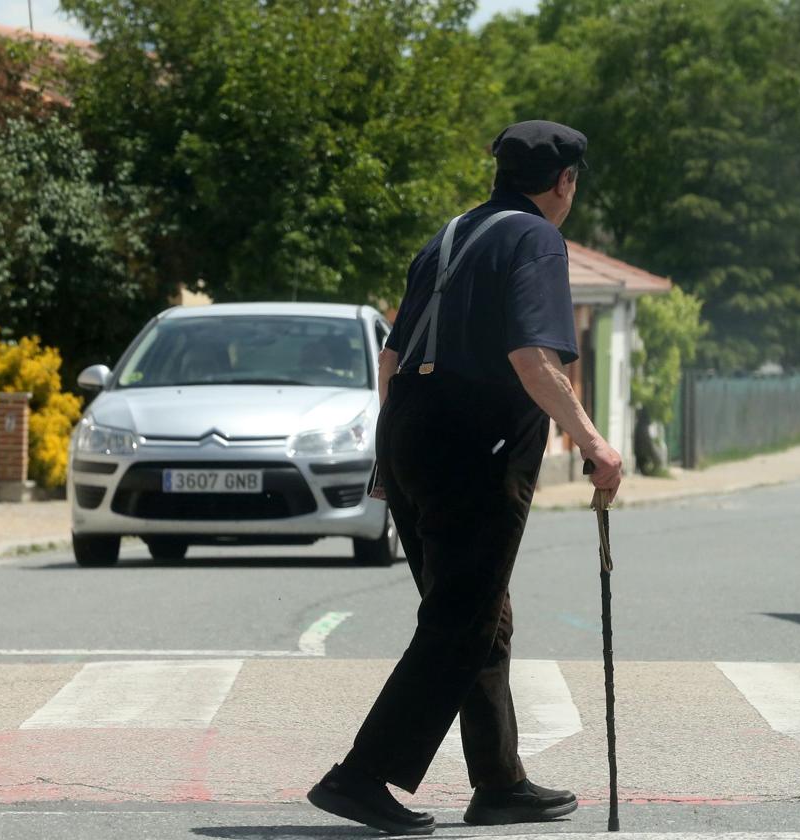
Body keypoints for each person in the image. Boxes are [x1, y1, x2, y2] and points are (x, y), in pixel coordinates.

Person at [307, 120, 624, 835]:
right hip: (476, 444)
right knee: (460, 619)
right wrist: (595, 443)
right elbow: (532, 357)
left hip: (411, 433)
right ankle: (359, 776)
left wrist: (399, 452)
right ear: (563, 182)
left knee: (481, 615)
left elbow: (391, 359)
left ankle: (500, 781)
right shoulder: (535, 239)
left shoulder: (447, 237)